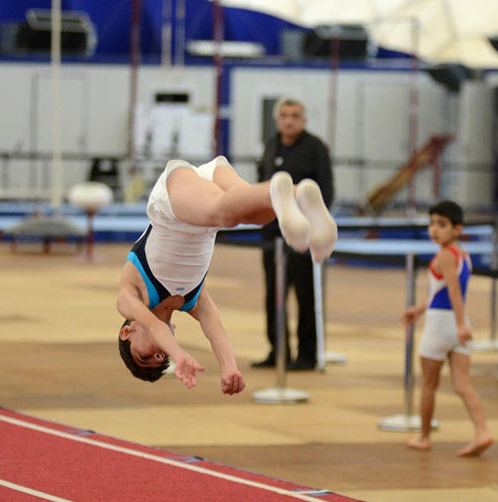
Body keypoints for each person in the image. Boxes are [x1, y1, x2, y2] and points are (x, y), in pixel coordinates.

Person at [117, 155, 337, 393]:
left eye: (144, 356)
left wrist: (178, 355)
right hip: (209, 197)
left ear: (127, 332)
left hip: (173, 199)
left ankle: (278, 192)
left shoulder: (130, 299)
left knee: (224, 214)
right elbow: (216, 331)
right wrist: (229, 367)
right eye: (161, 358)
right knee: (254, 215)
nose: (157, 354)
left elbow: (154, 328)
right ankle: (299, 195)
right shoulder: (192, 300)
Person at [401, 200, 494, 457]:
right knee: (463, 385)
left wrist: (460, 323)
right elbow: (438, 290)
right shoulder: (464, 255)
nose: (434, 230)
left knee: (429, 385)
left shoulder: (444, 256)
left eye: (441, 225)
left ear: (457, 229)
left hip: (442, 325)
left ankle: (424, 436)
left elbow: (453, 292)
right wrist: (418, 309)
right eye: (432, 224)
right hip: (455, 324)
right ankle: (482, 431)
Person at [253, 98, 335, 371]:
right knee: (273, 295)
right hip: (272, 235)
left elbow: (326, 190)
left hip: (303, 235)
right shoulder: (271, 144)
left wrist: (317, 228)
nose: (289, 120)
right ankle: (278, 350)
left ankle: (307, 354)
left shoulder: (315, 148)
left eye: (295, 116)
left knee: (305, 294)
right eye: (285, 115)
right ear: (278, 119)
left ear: (304, 119)